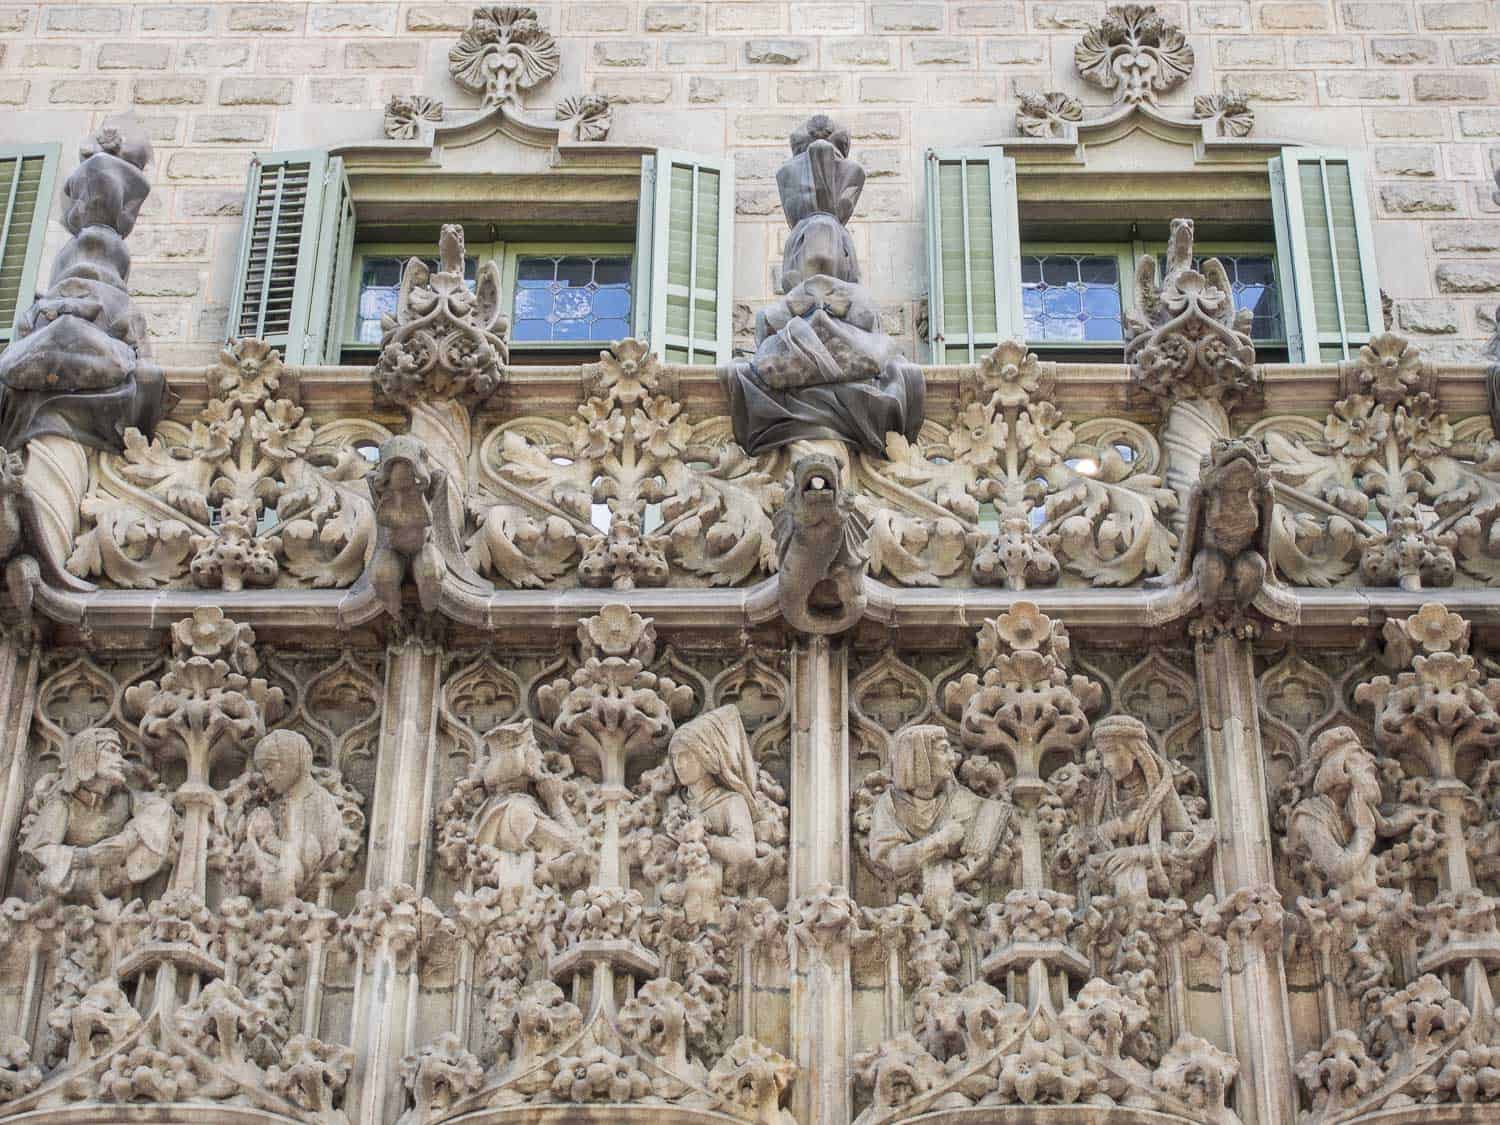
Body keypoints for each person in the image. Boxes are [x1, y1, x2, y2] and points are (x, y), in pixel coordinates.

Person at [22, 727, 174, 903]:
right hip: (77, 879)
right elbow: (38, 850)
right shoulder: (63, 801)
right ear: (88, 755)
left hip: (119, 876)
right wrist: (89, 857)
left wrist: (128, 839)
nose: (119, 760)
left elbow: (158, 809)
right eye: (111, 751)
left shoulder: (124, 797)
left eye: (120, 753)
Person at [866, 725, 1008, 914]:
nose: (953, 759)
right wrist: (940, 839)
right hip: (903, 906)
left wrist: (970, 868)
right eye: (943, 750)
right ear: (919, 757)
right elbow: (891, 860)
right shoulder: (890, 804)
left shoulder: (961, 799)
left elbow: (984, 845)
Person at [1086, 715, 1213, 901]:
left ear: (1135, 751)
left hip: (1150, 872)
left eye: (1113, 751)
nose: (1107, 763)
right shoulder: (1104, 793)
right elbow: (1096, 839)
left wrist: (1137, 853)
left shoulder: (1160, 792)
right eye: (1102, 754)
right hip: (1111, 868)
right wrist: (1112, 830)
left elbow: (1185, 844)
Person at [243, 730, 344, 905]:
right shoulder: (276, 805)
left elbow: (310, 858)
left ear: (290, 760)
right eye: (263, 771)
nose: (267, 778)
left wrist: (271, 843)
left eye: (270, 768)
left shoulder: (321, 803)